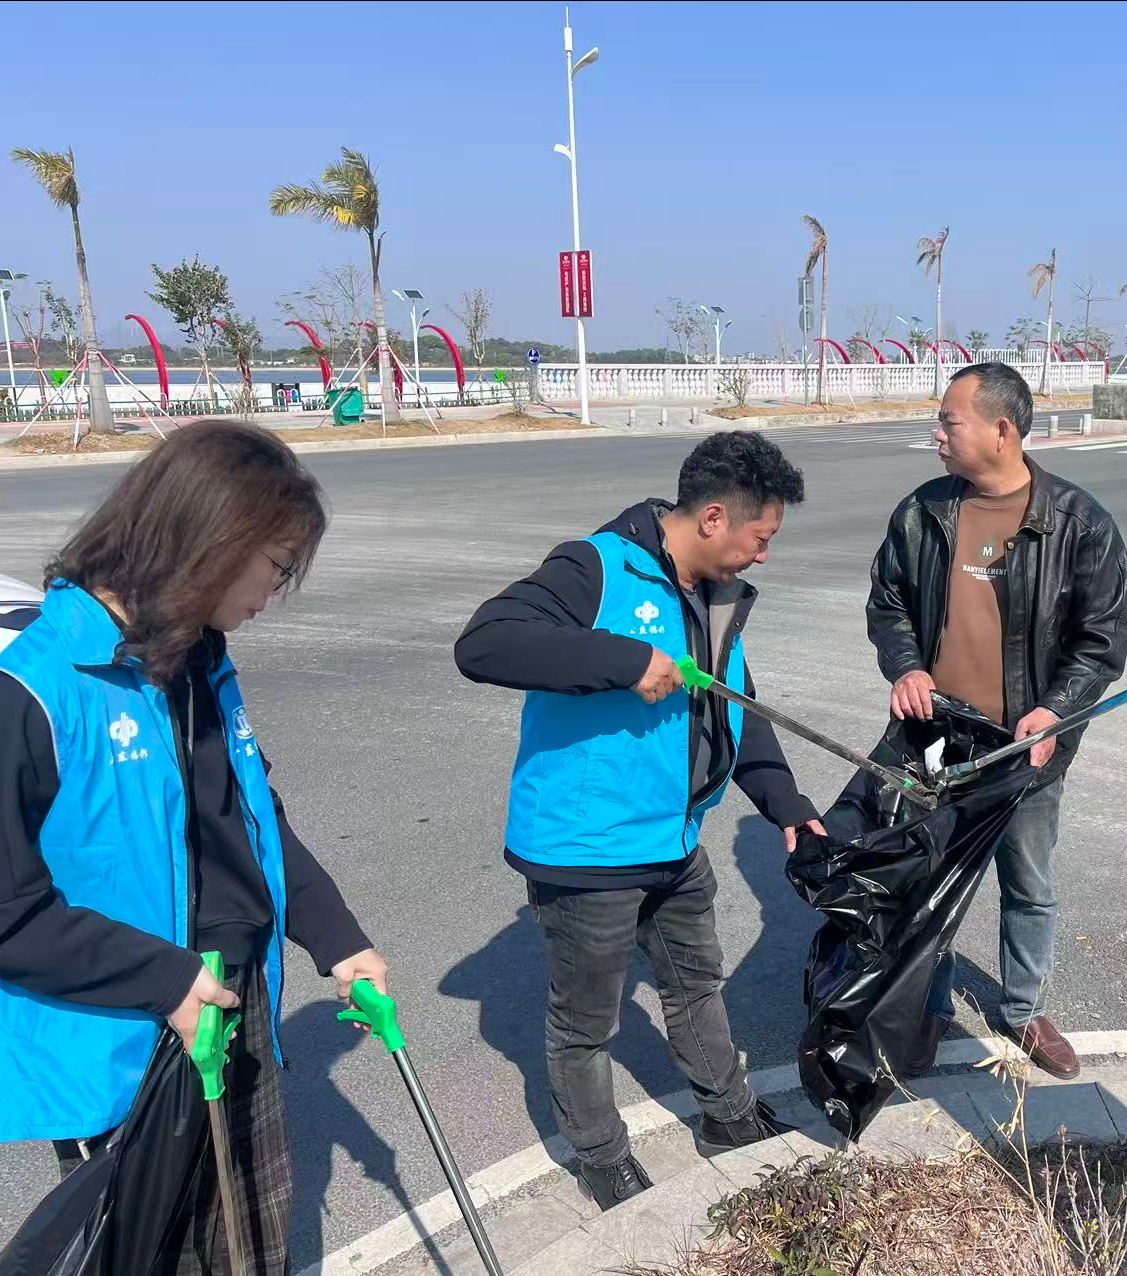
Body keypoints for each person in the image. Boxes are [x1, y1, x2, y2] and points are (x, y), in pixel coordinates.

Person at [0, 420, 389, 1275]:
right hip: (133, 1028)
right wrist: (164, 980)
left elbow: (251, 818)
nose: (275, 593)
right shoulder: (38, 687)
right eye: (276, 567)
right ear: (217, 539)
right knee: (153, 1254)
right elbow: (8, 912)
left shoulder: (198, 661)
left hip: (230, 994)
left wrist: (335, 936)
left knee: (248, 1240)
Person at [455, 431, 824, 1210]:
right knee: (587, 1023)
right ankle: (601, 1156)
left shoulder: (718, 596)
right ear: (715, 518)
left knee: (696, 985)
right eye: (761, 538)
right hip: (587, 850)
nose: (764, 556)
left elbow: (736, 706)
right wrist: (623, 662)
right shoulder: (595, 568)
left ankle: (728, 1116)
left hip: (674, 841)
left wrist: (785, 803)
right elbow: (484, 644)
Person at [867, 362, 1127, 1080]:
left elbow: (1102, 639)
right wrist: (906, 667)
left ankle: (1022, 1009)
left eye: (949, 421)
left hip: (1025, 747)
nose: (937, 433)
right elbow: (888, 601)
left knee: (1029, 882)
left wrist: (1056, 711)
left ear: (1002, 430)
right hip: (936, 739)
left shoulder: (1080, 524)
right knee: (928, 883)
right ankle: (929, 1006)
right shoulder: (924, 513)